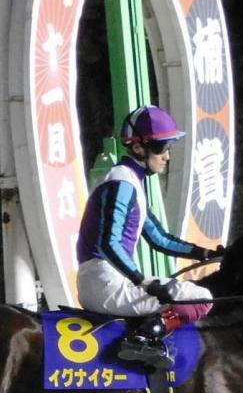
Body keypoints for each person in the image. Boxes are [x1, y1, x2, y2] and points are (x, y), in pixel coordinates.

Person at [76, 105, 222, 368]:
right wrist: (143, 281)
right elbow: (108, 244)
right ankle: (140, 339)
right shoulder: (121, 183)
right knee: (201, 298)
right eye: (161, 147)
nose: (167, 156)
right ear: (138, 148)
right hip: (105, 281)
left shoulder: (131, 182)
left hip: (104, 279)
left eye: (168, 148)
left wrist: (205, 254)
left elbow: (159, 239)